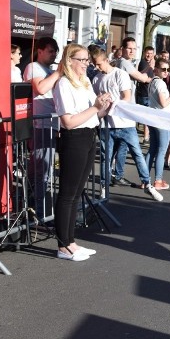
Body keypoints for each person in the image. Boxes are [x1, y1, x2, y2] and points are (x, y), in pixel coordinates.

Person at [52, 43, 112, 261]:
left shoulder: (85, 82)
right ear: (71, 61)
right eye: (83, 60)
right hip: (73, 139)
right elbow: (68, 121)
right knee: (67, 194)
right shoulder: (63, 84)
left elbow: (93, 115)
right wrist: (96, 108)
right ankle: (63, 245)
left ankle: (71, 242)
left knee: (77, 192)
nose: (87, 63)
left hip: (88, 135)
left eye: (88, 60)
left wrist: (104, 107)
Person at [89, 48, 164, 201]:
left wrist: (110, 102)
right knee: (106, 157)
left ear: (105, 60)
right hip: (107, 125)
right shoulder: (97, 78)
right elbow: (96, 100)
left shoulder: (119, 74)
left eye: (98, 64)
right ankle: (104, 187)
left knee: (137, 154)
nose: (97, 68)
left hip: (125, 123)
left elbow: (127, 97)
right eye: (95, 65)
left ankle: (147, 184)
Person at [22, 36, 61, 219]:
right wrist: (57, 73)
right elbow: (40, 89)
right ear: (40, 51)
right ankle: (36, 210)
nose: (54, 55)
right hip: (39, 123)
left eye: (55, 52)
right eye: (51, 51)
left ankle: (29, 205)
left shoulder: (49, 70)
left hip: (51, 123)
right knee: (41, 169)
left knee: (40, 169)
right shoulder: (33, 67)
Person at [146, 58, 170, 190]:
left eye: (168, 69)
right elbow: (164, 103)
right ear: (156, 69)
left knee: (152, 150)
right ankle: (158, 180)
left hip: (153, 119)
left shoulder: (152, 82)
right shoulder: (160, 83)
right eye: (163, 69)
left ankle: (145, 179)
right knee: (161, 151)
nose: (166, 72)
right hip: (161, 120)